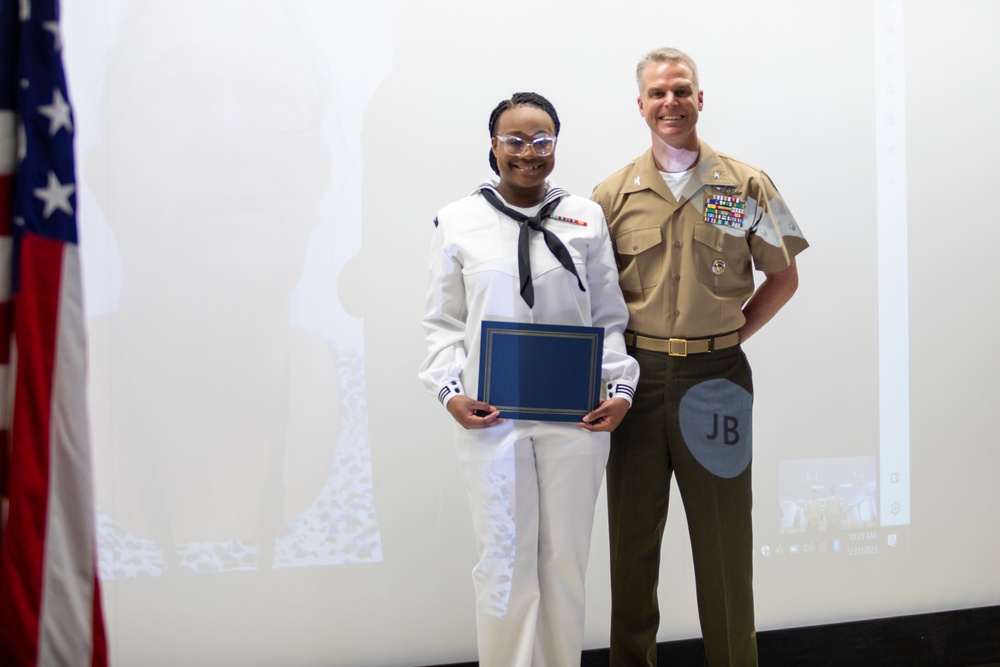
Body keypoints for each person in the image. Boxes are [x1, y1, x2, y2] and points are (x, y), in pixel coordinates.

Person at [592, 48, 809, 666]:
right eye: (658, 94)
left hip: (715, 380)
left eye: (681, 90)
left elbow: (783, 277)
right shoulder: (610, 197)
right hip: (634, 383)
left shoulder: (744, 186)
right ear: (641, 105)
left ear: (700, 98)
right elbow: (596, 302)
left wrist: (732, 337)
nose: (670, 103)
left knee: (723, 543)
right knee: (631, 545)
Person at [419, 92, 639, 667]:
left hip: (578, 418)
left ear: (555, 147)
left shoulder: (586, 216)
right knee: (503, 563)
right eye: (515, 140)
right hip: (494, 419)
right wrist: (450, 393)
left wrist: (620, 392)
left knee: (564, 562)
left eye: (542, 141)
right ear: (493, 147)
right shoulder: (458, 220)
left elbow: (609, 317)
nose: (529, 153)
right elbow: (441, 323)